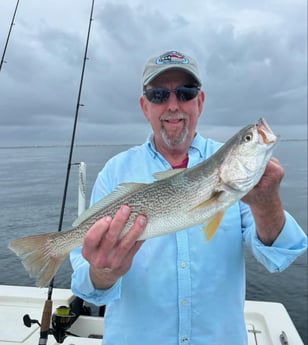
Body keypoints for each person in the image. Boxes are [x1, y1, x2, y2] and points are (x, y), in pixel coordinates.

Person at [70, 50, 307, 345]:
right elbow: (85, 283)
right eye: (159, 95)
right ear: (145, 107)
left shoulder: (235, 182)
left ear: (200, 101)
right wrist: (102, 273)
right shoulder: (115, 172)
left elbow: (280, 255)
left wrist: (267, 204)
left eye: (185, 92)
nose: (173, 105)